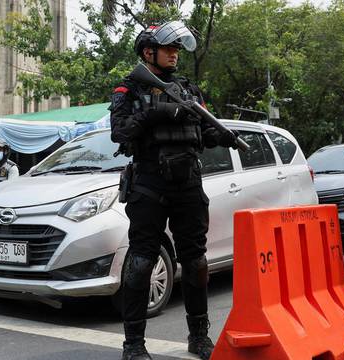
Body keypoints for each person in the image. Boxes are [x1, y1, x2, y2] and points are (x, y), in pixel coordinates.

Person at [110, 21, 240, 360]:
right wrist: (159, 112)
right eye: (169, 48)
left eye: (178, 49)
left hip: (188, 183)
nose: (175, 54)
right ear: (147, 52)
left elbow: (205, 133)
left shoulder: (190, 90)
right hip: (149, 183)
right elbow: (119, 133)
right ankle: (133, 345)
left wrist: (221, 136)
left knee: (196, 262)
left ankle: (199, 337)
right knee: (141, 262)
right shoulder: (129, 89)